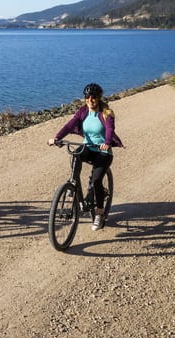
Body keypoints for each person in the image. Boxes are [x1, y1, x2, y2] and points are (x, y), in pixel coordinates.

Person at [47, 83, 124, 230]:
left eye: (93, 97)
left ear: (99, 98)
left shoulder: (106, 113)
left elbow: (109, 129)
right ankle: (72, 184)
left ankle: (100, 215)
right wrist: (57, 138)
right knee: (76, 154)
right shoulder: (83, 111)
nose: (90, 100)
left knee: (96, 181)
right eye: (87, 97)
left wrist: (107, 143)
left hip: (103, 151)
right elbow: (70, 125)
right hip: (88, 148)